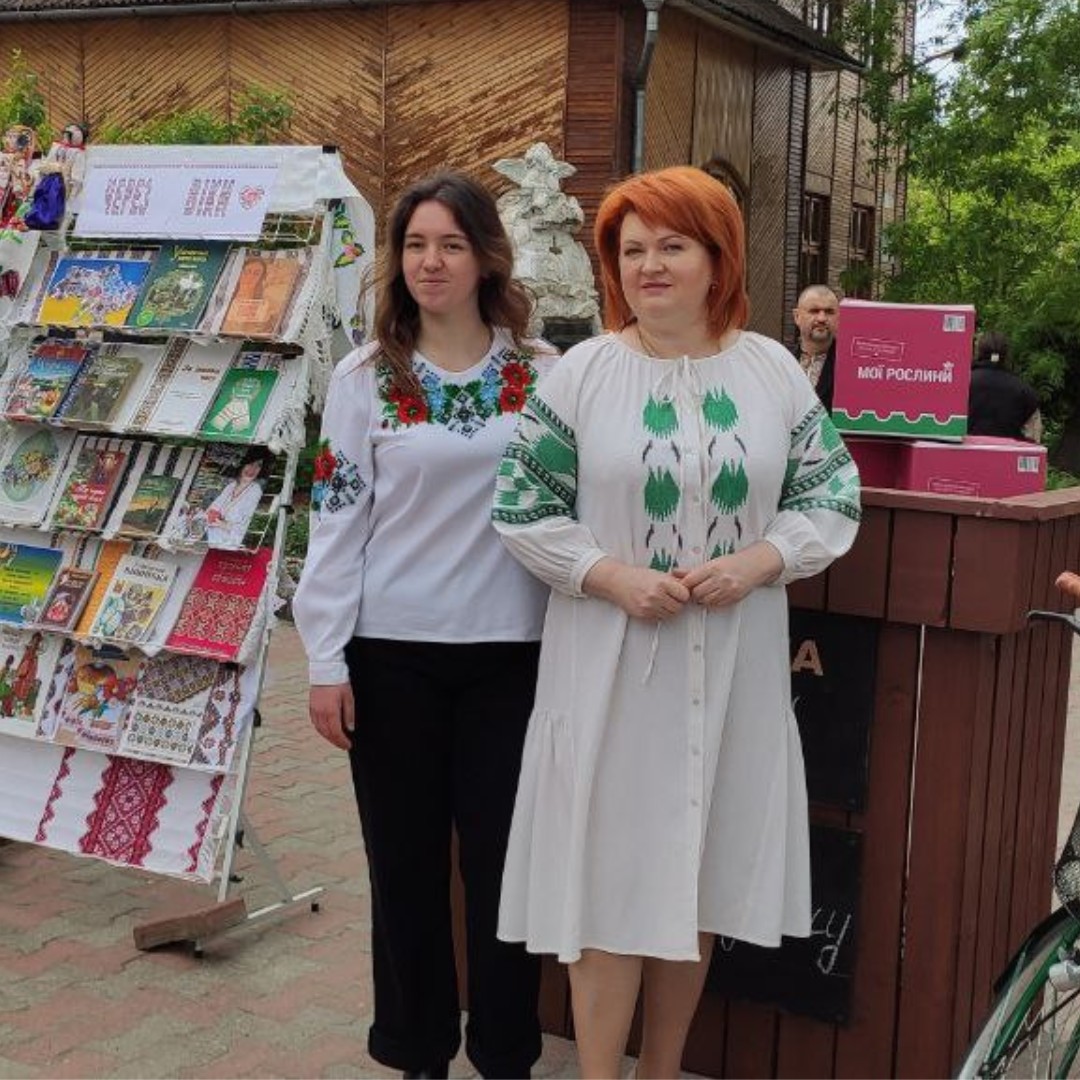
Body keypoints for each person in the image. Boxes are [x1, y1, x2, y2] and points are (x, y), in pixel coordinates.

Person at [491, 166, 861, 1079]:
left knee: (695, 877)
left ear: (717, 258)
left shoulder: (772, 372)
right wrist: (610, 576)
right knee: (607, 882)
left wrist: (760, 560)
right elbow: (522, 506)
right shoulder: (582, 375)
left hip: (734, 668)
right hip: (611, 670)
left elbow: (831, 494)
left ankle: (661, 1071)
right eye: (632, 250)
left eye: (672, 245)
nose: (649, 265)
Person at [292, 171, 558, 1079]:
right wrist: (325, 660)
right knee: (402, 868)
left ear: (486, 258)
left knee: (505, 869)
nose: (430, 262)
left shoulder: (543, 374)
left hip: (514, 658)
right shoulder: (365, 378)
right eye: (414, 245)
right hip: (392, 659)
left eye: (450, 244)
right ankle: (417, 1050)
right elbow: (336, 521)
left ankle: (507, 1052)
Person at [967, 330, 1042, 442]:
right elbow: (1033, 437)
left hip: (965, 451)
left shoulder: (961, 384)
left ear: (978, 352)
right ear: (1007, 355)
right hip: (1009, 452)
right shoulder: (1024, 391)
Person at [203, 449, 267, 547]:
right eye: (250, 463)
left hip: (230, 544)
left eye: (258, 465)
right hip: (211, 538)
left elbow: (246, 527)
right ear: (242, 464)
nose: (253, 469)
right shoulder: (231, 486)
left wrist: (223, 524)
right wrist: (210, 516)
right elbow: (212, 509)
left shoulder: (256, 491)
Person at [791, 283, 840, 409]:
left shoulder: (849, 367)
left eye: (829, 312)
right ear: (797, 317)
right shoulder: (780, 361)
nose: (822, 318)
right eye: (814, 311)